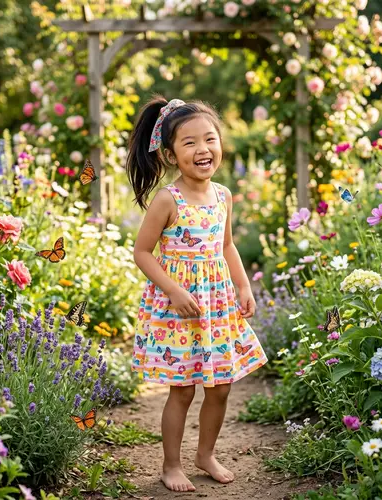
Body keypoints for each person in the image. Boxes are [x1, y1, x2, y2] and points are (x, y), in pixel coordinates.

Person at [126, 95, 268, 492]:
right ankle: (171, 464)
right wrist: (172, 290)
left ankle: (205, 454)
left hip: (216, 305)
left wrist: (242, 285)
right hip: (179, 308)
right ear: (170, 155)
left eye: (210, 139)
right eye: (189, 143)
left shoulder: (222, 196)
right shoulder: (167, 200)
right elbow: (142, 252)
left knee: (221, 386)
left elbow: (226, 246)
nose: (202, 149)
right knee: (183, 389)